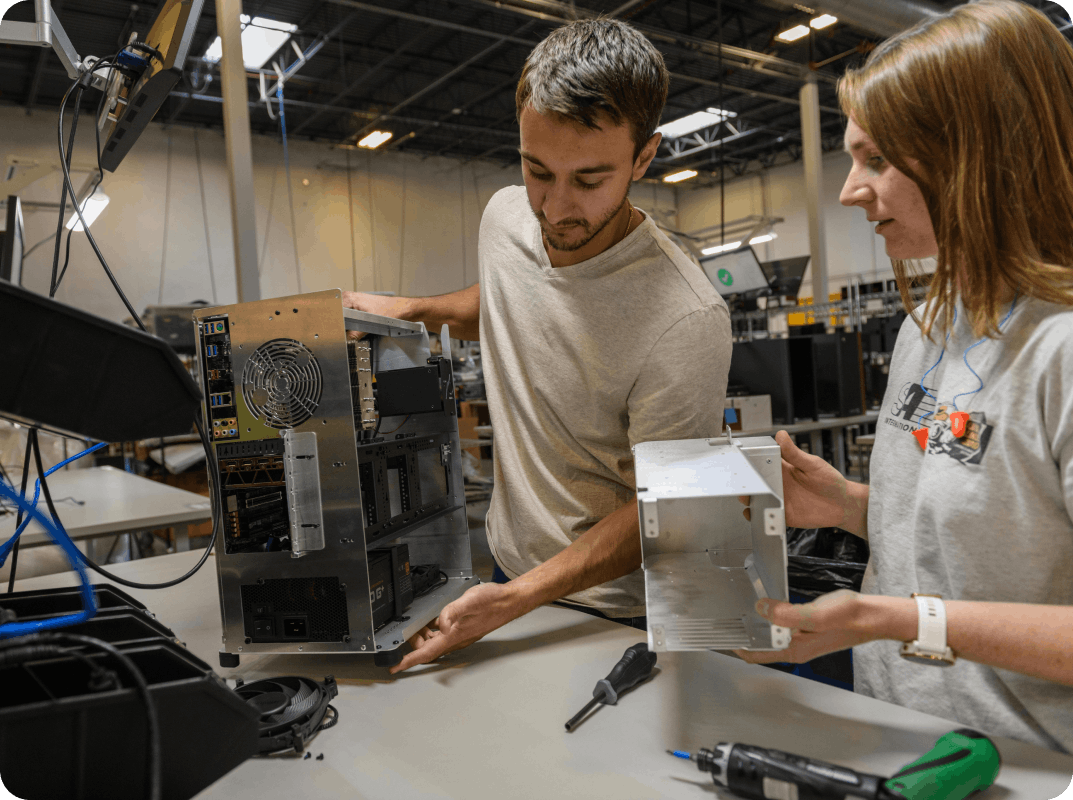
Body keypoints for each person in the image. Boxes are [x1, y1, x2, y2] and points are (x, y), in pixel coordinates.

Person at [736, 0, 1073, 753]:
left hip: (1025, 764)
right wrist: (851, 505)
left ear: (977, 155)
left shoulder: (1060, 352)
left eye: (878, 160)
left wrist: (895, 617)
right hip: (899, 737)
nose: (850, 190)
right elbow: (997, 539)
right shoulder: (930, 325)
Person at [344, 19, 732, 673]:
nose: (554, 208)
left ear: (643, 158)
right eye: (537, 170)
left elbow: (663, 514)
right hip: (508, 574)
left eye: (588, 180)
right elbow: (509, 298)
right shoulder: (504, 216)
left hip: (614, 613)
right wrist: (410, 308)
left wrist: (516, 600)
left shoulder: (684, 319)